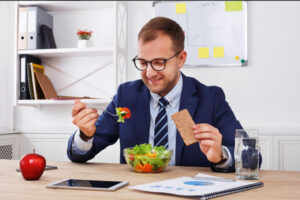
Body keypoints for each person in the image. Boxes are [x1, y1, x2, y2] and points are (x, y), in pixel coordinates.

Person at [67, 17, 244, 173]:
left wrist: (221, 155)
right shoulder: (126, 95)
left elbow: (250, 156)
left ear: (181, 59)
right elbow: (80, 153)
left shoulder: (211, 97)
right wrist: (85, 135)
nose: (150, 73)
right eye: (143, 63)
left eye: (159, 63)